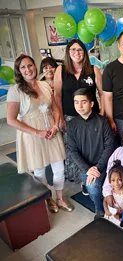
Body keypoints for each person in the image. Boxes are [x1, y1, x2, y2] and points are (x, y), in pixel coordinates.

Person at [6, 54, 74, 213]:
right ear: (19, 71)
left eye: (30, 65)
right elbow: (11, 120)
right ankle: (47, 198)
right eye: (23, 67)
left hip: (51, 131)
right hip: (33, 135)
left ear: (35, 66)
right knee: (40, 171)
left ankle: (60, 197)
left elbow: (55, 108)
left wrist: (55, 126)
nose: (28, 69)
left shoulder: (44, 85)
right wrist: (38, 132)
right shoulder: (15, 91)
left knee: (59, 169)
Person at [54, 39, 104, 183]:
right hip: (69, 117)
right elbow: (57, 96)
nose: (77, 53)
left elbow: (102, 94)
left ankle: (88, 178)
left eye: (80, 50)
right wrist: (61, 118)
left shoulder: (93, 70)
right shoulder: (61, 70)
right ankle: (76, 178)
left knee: (90, 148)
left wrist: (102, 113)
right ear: (68, 53)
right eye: (73, 50)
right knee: (72, 150)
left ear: (85, 52)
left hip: (91, 117)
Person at [67, 88, 114, 219]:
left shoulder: (102, 121)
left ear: (91, 103)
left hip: (104, 164)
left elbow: (110, 146)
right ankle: (99, 210)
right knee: (92, 186)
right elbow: (73, 151)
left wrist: (98, 167)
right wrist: (88, 169)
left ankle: (110, 205)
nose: (80, 106)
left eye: (83, 102)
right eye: (76, 102)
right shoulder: (72, 125)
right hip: (86, 167)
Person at [103, 160, 123, 226]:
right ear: (109, 180)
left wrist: (122, 214)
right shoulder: (110, 190)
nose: (116, 183)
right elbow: (104, 201)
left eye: (119, 180)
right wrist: (106, 210)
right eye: (113, 180)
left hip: (121, 218)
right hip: (110, 216)